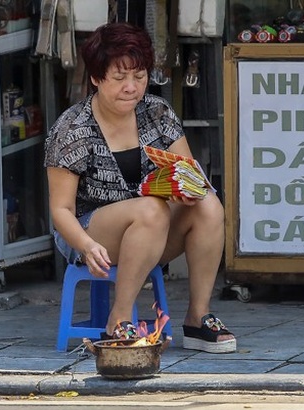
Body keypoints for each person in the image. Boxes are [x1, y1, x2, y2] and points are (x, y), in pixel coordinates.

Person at [43, 22, 236, 354]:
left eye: (139, 76)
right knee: (150, 208)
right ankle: (117, 321)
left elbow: (189, 173)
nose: (131, 87)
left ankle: (197, 317)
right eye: (119, 78)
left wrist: (187, 188)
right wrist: (87, 246)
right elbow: (61, 210)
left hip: (151, 229)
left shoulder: (157, 112)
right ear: (96, 78)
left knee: (208, 204)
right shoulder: (73, 128)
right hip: (90, 234)